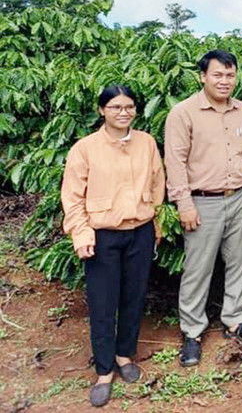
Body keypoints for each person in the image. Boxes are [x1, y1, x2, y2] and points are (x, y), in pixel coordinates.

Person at [61, 85, 165, 407]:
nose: (124, 112)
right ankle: (104, 370)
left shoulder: (146, 143)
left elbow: (157, 182)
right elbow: (73, 197)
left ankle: (124, 356)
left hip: (139, 232)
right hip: (102, 236)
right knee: (104, 303)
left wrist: (156, 224)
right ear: (102, 110)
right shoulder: (85, 148)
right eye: (116, 107)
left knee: (133, 297)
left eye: (129, 106)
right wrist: (81, 234)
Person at [165, 50, 242, 368]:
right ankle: (192, 332)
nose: (224, 81)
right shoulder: (183, 113)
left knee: (239, 262)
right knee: (198, 269)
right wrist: (184, 203)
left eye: (230, 75)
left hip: (241, 196)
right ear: (202, 76)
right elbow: (175, 162)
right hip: (202, 201)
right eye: (217, 75)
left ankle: (235, 319)